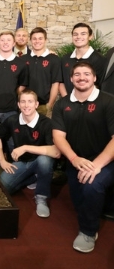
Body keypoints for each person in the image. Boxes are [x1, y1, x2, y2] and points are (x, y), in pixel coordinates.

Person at [52, 62, 114, 253]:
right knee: (79, 202)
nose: (81, 77)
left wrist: (96, 165)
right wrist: (74, 159)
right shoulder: (62, 104)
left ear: (94, 78)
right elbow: (58, 136)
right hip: (76, 160)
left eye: (87, 74)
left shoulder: (109, 101)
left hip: (105, 160)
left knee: (91, 185)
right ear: (71, 79)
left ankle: (88, 231)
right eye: (77, 74)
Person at [0, 90, 59, 218]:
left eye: (30, 101)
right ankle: (34, 177)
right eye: (23, 101)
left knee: (44, 161)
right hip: (22, 162)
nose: (26, 105)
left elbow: (56, 152)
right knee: (3, 188)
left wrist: (25, 148)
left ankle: (41, 197)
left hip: (40, 160)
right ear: (18, 105)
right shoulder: (12, 120)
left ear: (36, 104)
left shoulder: (46, 123)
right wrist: (2, 160)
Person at [0, 31, 29, 169]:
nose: (6, 43)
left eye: (9, 40)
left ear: (14, 43)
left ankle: (15, 167)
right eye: (2, 40)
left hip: (11, 109)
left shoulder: (21, 64)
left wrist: (14, 98)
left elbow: (22, 86)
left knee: (12, 140)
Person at [59, 23, 106, 97]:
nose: (78, 37)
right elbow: (61, 82)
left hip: (90, 104)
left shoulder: (99, 59)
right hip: (67, 104)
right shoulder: (65, 58)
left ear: (90, 37)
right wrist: (67, 100)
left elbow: (100, 85)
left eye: (83, 34)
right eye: (75, 34)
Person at [27, 27, 62, 116]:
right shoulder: (23, 59)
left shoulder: (54, 59)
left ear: (45, 40)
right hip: (26, 104)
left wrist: (49, 105)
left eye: (40, 38)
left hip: (44, 105)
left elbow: (55, 83)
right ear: (30, 40)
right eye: (34, 39)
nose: (37, 41)